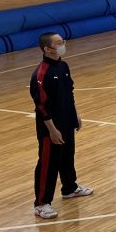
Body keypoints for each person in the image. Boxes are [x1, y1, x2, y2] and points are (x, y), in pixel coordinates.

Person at [30, 32, 93, 220]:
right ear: (47, 49)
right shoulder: (41, 74)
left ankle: (70, 188)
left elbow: (69, 92)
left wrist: (75, 115)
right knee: (48, 164)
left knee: (67, 157)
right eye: (58, 43)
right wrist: (52, 130)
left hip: (67, 122)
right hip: (51, 129)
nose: (63, 45)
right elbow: (41, 106)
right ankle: (41, 203)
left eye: (62, 41)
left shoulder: (63, 66)